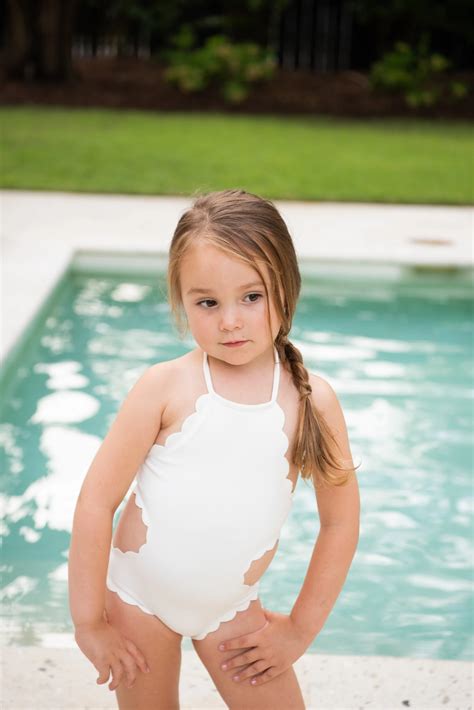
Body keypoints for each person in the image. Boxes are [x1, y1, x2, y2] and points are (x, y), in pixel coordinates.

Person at [68, 188, 360, 710]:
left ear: (286, 290)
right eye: (207, 302)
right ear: (182, 302)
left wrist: (298, 631)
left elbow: (339, 524)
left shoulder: (311, 401)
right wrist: (90, 623)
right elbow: (95, 502)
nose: (230, 320)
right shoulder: (164, 387)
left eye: (252, 297)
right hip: (140, 603)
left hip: (230, 610)